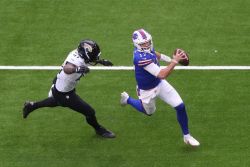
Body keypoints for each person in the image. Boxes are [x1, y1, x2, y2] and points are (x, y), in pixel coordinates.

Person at [120, 29, 200, 146]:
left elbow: (156, 54)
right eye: (143, 43)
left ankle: (187, 136)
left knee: (180, 106)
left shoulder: (146, 49)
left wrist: (169, 59)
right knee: (149, 112)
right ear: (137, 44)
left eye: (148, 42)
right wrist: (174, 61)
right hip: (147, 90)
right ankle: (127, 99)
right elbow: (162, 74)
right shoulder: (140, 57)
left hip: (159, 83)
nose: (147, 45)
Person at [23, 39, 115, 138]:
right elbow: (67, 68)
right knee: (89, 112)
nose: (95, 57)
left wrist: (101, 61)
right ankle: (99, 130)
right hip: (64, 92)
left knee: (56, 101)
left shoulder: (79, 53)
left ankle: (31, 106)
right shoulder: (76, 61)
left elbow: (87, 58)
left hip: (60, 85)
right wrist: (77, 69)